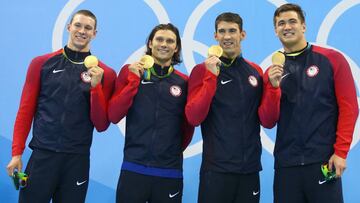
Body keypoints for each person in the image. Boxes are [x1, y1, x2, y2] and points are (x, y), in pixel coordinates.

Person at [6, 9, 116, 203]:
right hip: (42, 156)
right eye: (78, 25)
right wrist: (17, 153)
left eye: (88, 28)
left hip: (77, 160)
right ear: (69, 27)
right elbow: (25, 111)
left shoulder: (105, 73)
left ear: (94, 34)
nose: (82, 31)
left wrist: (96, 87)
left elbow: (101, 124)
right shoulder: (41, 63)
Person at [263, 3, 359, 203]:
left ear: (303, 26)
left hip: (323, 162)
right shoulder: (272, 72)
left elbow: (349, 107)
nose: (287, 27)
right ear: (275, 30)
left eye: (292, 21)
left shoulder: (332, 59)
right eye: (281, 23)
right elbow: (268, 120)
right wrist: (273, 87)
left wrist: (341, 152)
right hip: (286, 165)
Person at [185, 12, 275, 203]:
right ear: (215, 36)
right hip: (216, 170)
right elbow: (193, 117)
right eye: (222, 31)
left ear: (242, 35)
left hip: (249, 170)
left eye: (232, 31)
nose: (227, 37)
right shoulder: (201, 70)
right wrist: (210, 77)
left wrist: (275, 89)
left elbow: (267, 120)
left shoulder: (255, 72)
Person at [108, 23, 194, 203]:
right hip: (134, 168)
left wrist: (169, 150)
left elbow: (188, 128)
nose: (164, 44)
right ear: (150, 43)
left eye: (170, 41)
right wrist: (133, 82)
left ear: (176, 47)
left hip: (169, 172)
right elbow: (114, 115)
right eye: (159, 39)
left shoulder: (184, 82)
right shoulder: (130, 72)